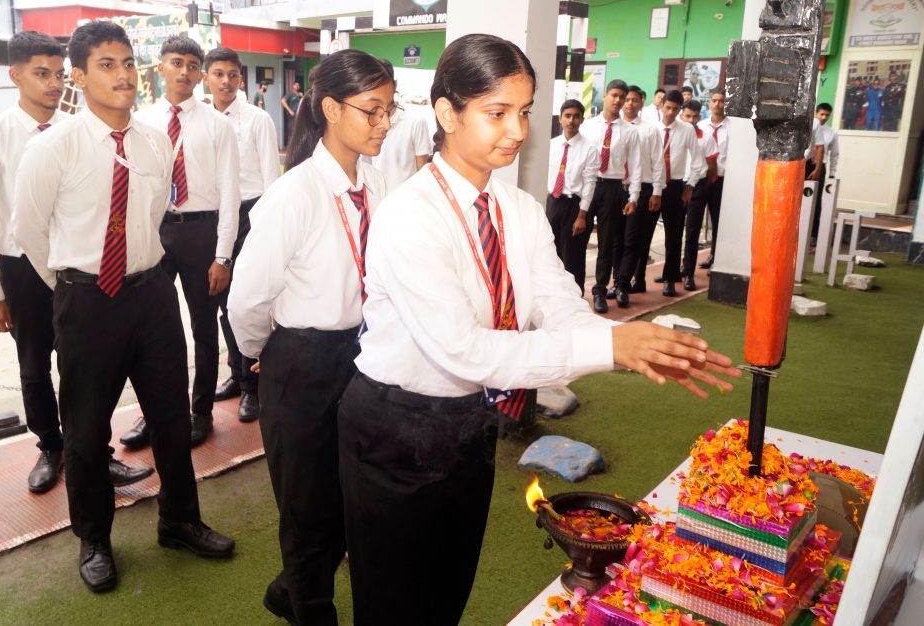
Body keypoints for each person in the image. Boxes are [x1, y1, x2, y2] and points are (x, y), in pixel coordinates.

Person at [337, 33, 741, 626]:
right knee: (394, 604)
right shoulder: (409, 216)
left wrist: (626, 347)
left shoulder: (519, 210)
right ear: (447, 113)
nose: (518, 131)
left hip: (468, 419)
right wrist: (608, 344)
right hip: (393, 426)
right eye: (497, 113)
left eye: (524, 112)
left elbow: (559, 304)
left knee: (448, 589)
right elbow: (464, 349)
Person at [13, 20, 234, 593]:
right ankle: (94, 537)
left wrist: (138, 269)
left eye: (129, 62)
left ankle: (180, 520)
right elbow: (30, 232)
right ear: (79, 76)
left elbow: (155, 214)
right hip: (88, 301)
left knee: (171, 417)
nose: (124, 75)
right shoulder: (52, 148)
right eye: (106, 65)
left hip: (152, 294)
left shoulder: (154, 141)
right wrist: (75, 285)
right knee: (85, 431)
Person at [227, 49, 393, 625]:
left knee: (351, 495)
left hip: (363, 354)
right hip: (303, 360)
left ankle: (289, 591)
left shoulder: (376, 183)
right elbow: (247, 299)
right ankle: (310, 609)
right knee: (306, 508)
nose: (384, 123)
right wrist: (261, 354)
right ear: (331, 109)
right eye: (372, 110)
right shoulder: (294, 194)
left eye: (389, 110)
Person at [0, 30, 155, 494]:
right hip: (22, 267)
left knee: (84, 366)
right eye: (41, 74)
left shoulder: (80, 129)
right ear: (15, 76)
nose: (53, 84)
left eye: (58, 74)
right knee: (34, 365)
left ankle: (94, 453)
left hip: (80, 269)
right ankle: (51, 447)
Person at [119, 36, 239, 449]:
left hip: (201, 232)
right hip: (155, 230)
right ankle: (154, 415)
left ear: (200, 73)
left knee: (204, 328)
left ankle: (200, 412)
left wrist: (223, 256)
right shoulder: (140, 121)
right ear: (161, 68)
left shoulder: (218, 125)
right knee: (150, 330)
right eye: (176, 63)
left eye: (192, 65)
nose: (184, 72)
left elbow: (230, 194)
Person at [204, 48, 280, 423]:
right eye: (218, 74)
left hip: (250, 215)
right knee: (221, 304)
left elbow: (271, 179)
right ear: (207, 77)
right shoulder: (200, 119)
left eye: (233, 75)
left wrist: (266, 230)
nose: (226, 81)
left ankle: (252, 386)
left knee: (245, 301)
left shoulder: (257, 120)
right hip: (212, 217)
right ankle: (236, 373)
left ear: (240, 79)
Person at [578, 79, 641, 312]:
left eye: (622, 97)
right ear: (605, 95)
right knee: (579, 240)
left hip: (613, 188)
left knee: (606, 244)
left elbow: (636, 166)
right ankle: (575, 290)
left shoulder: (629, 132)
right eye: (614, 95)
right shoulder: (588, 126)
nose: (618, 100)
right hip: (588, 185)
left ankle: (600, 292)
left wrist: (633, 197)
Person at [653, 90, 703, 296]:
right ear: (661, 105)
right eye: (668, 107)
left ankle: (670, 278)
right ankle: (637, 278)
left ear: (680, 110)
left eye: (675, 109)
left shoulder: (686, 130)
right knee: (642, 235)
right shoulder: (651, 128)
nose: (671, 112)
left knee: (673, 237)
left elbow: (698, 162)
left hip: (675, 187)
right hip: (652, 186)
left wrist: (689, 187)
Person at [546, 98, 598, 293]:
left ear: (582, 119)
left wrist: (582, 215)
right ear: (560, 118)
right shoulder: (552, 145)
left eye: (576, 116)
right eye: (567, 116)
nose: (571, 120)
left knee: (573, 256)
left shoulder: (589, 149)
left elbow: (589, 184)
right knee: (551, 254)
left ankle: (576, 297)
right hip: (553, 203)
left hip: (574, 207)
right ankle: (555, 295)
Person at [618, 85, 665, 295]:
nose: (629, 103)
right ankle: (618, 280)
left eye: (634, 100)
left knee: (634, 238)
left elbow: (658, 162)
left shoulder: (650, 129)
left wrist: (657, 191)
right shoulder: (615, 128)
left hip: (644, 188)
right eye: (626, 99)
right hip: (618, 187)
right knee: (617, 239)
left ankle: (625, 283)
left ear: (641, 103)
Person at [367, 60, 431, 192]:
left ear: (395, 84)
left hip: (406, 199)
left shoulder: (415, 122)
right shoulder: (364, 122)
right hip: (374, 198)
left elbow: (422, 172)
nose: (377, 89)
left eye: (382, 83)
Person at [680, 99, 718, 291]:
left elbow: (712, 167)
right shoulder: (674, 134)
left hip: (697, 188)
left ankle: (688, 273)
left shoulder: (706, 137)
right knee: (674, 232)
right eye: (687, 116)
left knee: (692, 232)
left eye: (695, 116)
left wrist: (702, 188)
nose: (691, 120)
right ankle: (672, 271)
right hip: (675, 186)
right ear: (681, 115)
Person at [697, 88, 729, 269]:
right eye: (714, 100)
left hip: (722, 180)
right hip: (702, 179)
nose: (718, 104)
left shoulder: (732, 128)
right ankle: (688, 263)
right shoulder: (701, 126)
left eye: (721, 101)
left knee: (718, 221)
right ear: (709, 102)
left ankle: (715, 257)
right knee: (694, 222)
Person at [807, 103, 839, 246]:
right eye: (822, 114)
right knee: (802, 197)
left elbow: (834, 154)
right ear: (816, 113)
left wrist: (832, 173)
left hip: (820, 167)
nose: (824, 117)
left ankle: (813, 235)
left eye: (827, 115)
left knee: (816, 200)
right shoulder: (810, 126)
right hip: (806, 163)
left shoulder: (831, 133)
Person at [281, 80, 303, 147]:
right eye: (296, 85)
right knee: (292, 131)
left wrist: (302, 96)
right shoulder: (290, 94)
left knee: (298, 131)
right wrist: (290, 111)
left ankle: (296, 147)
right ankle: (290, 148)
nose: (297, 86)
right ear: (293, 86)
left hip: (299, 114)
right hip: (293, 115)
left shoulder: (299, 95)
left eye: (298, 85)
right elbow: (283, 101)